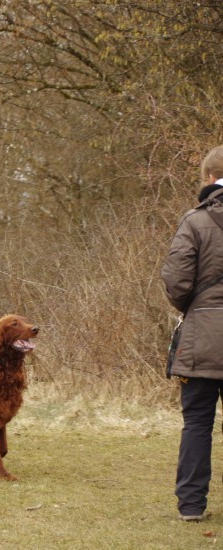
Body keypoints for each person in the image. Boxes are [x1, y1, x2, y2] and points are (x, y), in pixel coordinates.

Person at [161, 145, 223, 522]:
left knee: (198, 422)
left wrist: (193, 308)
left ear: (209, 178)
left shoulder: (195, 221)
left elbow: (177, 282)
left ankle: (191, 505)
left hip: (202, 336)